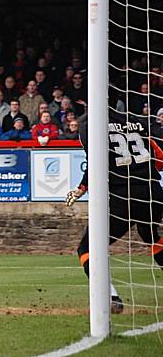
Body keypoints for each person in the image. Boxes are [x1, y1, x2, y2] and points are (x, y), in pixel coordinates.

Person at [65, 109, 163, 314]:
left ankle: (111, 297)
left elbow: (95, 161)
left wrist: (82, 187)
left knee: (87, 248)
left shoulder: (90, 123)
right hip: (153, 192)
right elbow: (158, 154)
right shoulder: (136, 119)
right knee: (151, 236)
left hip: (124, 198)